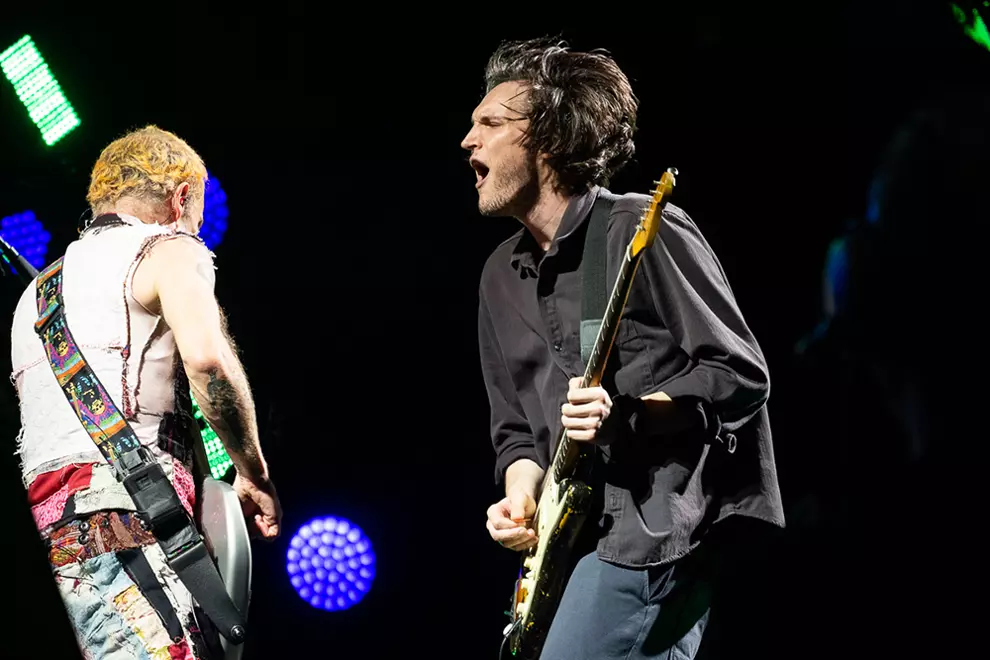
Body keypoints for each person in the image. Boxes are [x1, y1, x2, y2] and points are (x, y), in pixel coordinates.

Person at [463, 38, 785, 659]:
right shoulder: (498, 278)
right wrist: (521, 497)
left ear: (550, 138)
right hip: (570, 544)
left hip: (655, 530)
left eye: (490, 123)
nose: (467, 140)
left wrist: (633, 411)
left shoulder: (641, 226)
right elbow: (517, 435)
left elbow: (740, 373)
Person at [9, 125, 281, 659]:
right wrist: (254, 473)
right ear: (182, 198)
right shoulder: (168, 249)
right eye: (197, 218)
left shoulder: (34, 296)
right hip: (126, 516)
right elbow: (209, 363)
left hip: (45, 528)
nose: (196, 231)